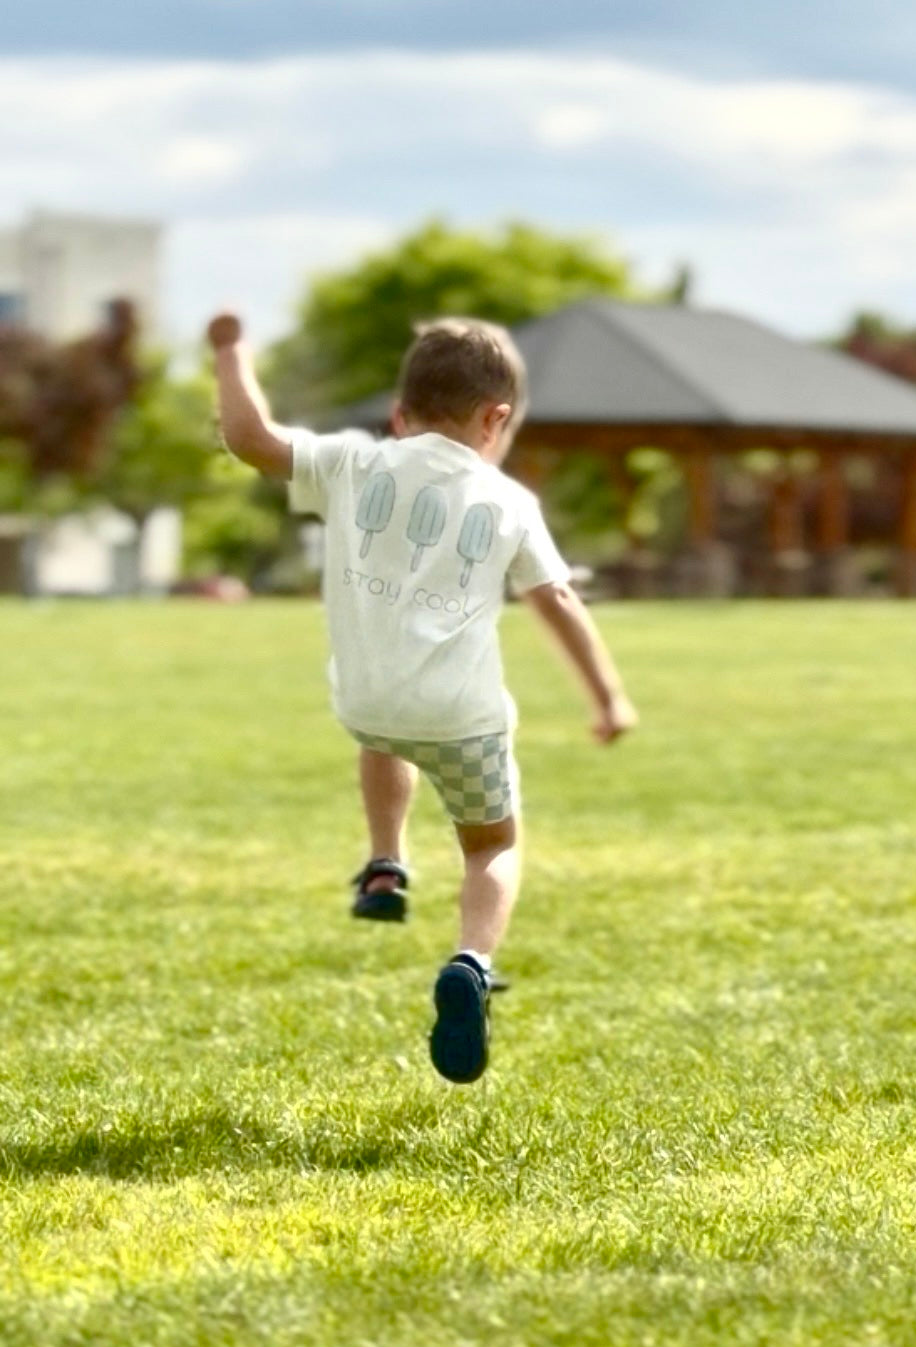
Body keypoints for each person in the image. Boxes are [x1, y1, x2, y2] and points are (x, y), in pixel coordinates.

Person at [207, 312, 637, 1084]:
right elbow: (559, 602)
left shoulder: (353, 464)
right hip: (462, 722)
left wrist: (230, 352)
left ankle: (384, 863)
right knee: (492, 845)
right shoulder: (508, 500)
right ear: (495, 419)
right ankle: (472, 962)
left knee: (383, 735)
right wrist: (607, 696)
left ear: (400, 414)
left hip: (367, 702)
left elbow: (250, 439)